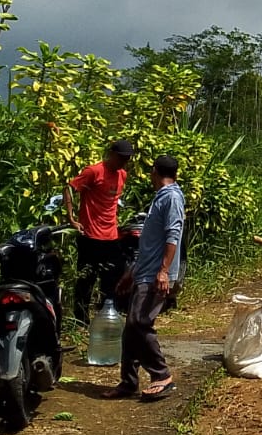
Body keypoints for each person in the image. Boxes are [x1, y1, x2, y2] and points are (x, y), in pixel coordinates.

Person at [104, 154, 186, 402]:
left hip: (155, 276)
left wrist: (163, 271)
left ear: (154, 171)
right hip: (145, 272)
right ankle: (128, 382)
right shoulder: (162, 197)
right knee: (131, 329)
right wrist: (132, 273)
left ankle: (161, 375)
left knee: (140, 323)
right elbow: (150, 243)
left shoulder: (171, 197)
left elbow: (173, 236)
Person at [66, 138, 133, 325]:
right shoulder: (94, 171)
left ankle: (105, 316)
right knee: (87, 279)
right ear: (111, 154)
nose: (123, 162)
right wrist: (72, 218)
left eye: (126, 159)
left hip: (110, 236)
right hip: (90, 236)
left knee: (112, 277)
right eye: (121, 158)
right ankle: (80, 319)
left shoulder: (122, 175)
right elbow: (70, 188)